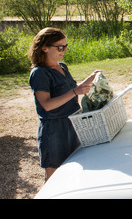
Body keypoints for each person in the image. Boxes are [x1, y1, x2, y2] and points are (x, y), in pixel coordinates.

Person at [28, 27, 100, 182]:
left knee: (73, 172)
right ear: (45, 48)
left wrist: (91, 78)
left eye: (66, 46)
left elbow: (71, 90)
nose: (64, 50)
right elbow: (46, 105)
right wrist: (75, 92)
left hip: (72, 124)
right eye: (60, 47)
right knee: (53, 179)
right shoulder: (39, 73)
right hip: (54, 130)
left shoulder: (63, 66)